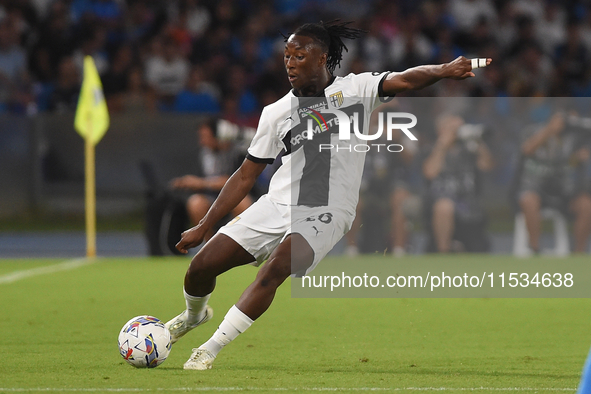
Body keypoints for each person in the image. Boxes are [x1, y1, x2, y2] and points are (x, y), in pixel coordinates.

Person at [165, 20, 491, 370]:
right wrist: (205, 225)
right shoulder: (275, 114)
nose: (289, 63)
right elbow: (246, 175)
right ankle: (193, 316)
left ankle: (209, 349)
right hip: (277, 204)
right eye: (287, 56)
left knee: (274, 271)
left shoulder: (358, 89)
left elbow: (408, 78)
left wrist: (443, 69)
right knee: (200, 268)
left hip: (329, 210)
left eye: (299, 56)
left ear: (322, 59)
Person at [515, 110, 591, 254]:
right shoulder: (534, 131)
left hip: (562, 189)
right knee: (528, 199)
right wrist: (550, 129)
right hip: (536, 187)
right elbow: (527, 150)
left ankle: (579, 253)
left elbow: (572, 161)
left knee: (586, 204)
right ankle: (535, 249)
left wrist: (580, 157)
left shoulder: (575, 137)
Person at [422, 114, 494, 253]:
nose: (458, 131)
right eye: (453, 128)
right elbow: (430, 172)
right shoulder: (431, 149)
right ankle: (443, 253)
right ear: (441, 130)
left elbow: (487, 166)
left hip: (469, 205)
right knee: (445, 205)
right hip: (439, 205)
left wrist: (478, 141)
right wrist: (442, 145)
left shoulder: (470, 149)